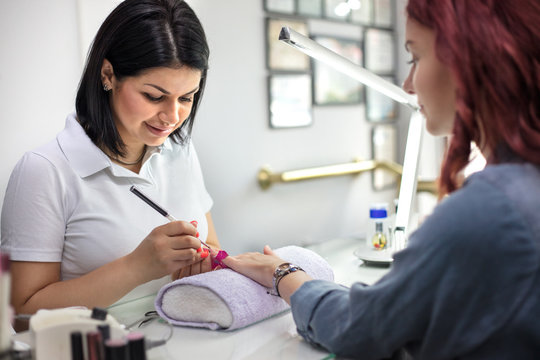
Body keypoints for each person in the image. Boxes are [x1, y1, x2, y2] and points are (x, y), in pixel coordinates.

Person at [221, 0, 540, 358]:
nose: (407, 84)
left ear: (469, 61)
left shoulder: (489, 211)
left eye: (415, 58)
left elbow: (362, 329)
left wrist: (284, 275)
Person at [0, 0, 221, 316]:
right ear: (108, 75)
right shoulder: (43, 171)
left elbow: (211, 244)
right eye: (154, 96)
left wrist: (204, 262)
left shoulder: (180, 150)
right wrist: (135, 267)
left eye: (186, 98)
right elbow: (20, 313)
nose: (173, 117)